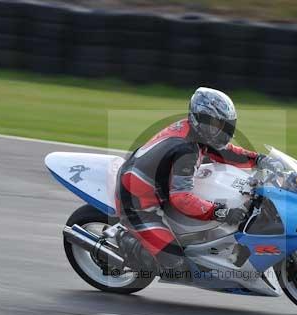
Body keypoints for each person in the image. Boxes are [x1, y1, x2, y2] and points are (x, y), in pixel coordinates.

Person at [115, 87, 269, 279]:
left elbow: (225, 152)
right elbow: (181, 198)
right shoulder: (186, 150)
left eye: (224, 125)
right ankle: (127, 242)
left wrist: (259, 159)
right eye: (215, 125)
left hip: (157, 185)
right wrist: (221, 212)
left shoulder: (197, 133)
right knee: (177, 265)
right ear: (199, 119)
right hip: (138, 203)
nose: (220, 131)